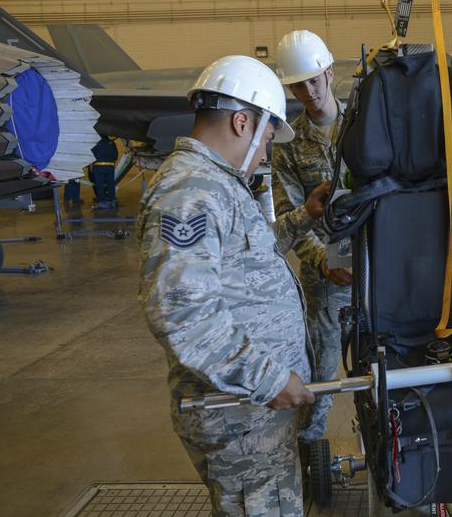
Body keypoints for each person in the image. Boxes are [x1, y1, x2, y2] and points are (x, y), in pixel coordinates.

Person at [137, 55, 331, 516]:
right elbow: (182, 315)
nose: (265, 153)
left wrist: (305, 216)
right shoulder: (191, 192)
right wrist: (269, 379)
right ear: (242, 122)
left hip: (254, 408)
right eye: (266, 137)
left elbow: (249, 256)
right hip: (239, 413)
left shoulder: (216, 184)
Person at [271, 30, 352, 450]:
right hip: (324, 276)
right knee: (321, 372)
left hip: (377, 265)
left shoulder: (363, 127)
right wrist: (322, 261)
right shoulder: (287, 146)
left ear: (329, 73)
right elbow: (289, 218)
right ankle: (311, 448)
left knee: (391, 364)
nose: (307, 91)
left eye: (313, 80)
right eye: (297, 84)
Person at [91, 135, 118, 209]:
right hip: (110, 166)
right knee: (111, 184)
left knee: (99, 184)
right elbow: (116, 156)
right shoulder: (112, 143)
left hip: (98, 167)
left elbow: (92, 155)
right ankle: (112, 199)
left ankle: (101, 200)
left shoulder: (95, 143)